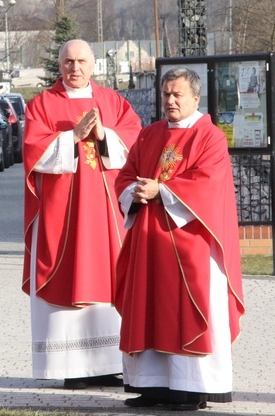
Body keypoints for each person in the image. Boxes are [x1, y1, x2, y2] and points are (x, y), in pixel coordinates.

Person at [115, 67, 245, 410]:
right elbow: (126, 173)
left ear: (195, 98)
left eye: (178, 95)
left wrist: (163, 190)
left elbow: (208, 185)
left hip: (191, 245)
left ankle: (191, 388)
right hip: (148, 242)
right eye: (166, 94)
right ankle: (152, 386)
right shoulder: (149, 134)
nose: (170, 100)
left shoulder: (209, 136)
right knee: (148, 309)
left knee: (185, 310)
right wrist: (134, 190)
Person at [21, 39, 141, 389]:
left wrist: (104, 135)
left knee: (111, 275)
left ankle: (109, 363)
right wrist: (71, 136)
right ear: (60, 66)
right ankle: (72, 366)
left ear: (93, 65)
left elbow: (134, 142)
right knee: (66, 274)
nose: (75, 68)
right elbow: (32, 151)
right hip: (63, 215)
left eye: (81, 61)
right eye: (68, 61)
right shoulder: (43, 104)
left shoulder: (113, 101)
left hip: (105, 215)